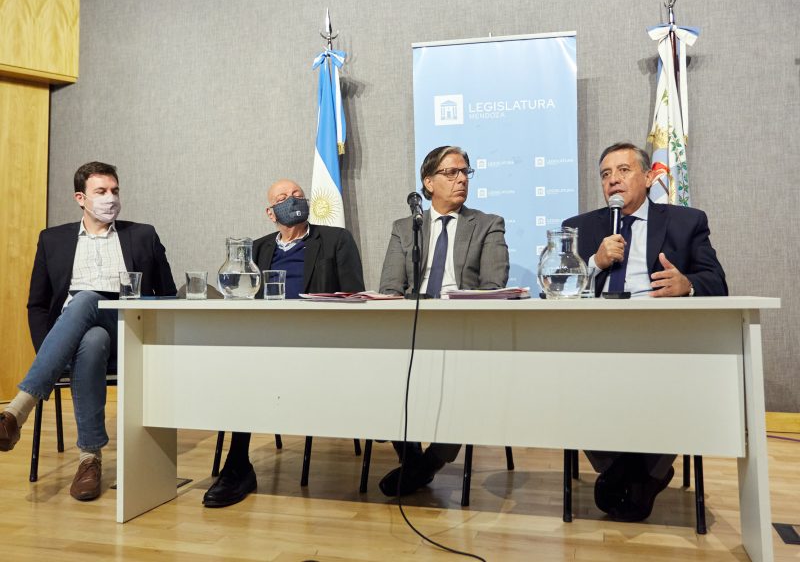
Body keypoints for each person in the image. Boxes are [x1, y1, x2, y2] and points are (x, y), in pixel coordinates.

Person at [563, 142, 727, 522]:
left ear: (649, 177)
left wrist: (686, 284)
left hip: (662, 339)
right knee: (567, 375)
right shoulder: (581, 227)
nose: (613, 180)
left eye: (623, 170)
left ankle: (637, 472)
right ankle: (631, 471)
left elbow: (717, 281)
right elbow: (558, 287)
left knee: (676, 380)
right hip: (597, 339)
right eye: (605, 174)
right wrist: (594, 263)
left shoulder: (686, 221)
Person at [0, 162, 176, 501]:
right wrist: (50, 350)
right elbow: (37, 305)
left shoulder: (143, 235)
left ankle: (17, 410)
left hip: (128, 332)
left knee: (86, 298)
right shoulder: (52, 240)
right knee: (92, 339)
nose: (111, 198)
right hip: (75, 341)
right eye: (101, 191)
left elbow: (167, 295)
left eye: (115, 190)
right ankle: (89, 461)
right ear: (80, 198)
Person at [202, 179, 365, 508]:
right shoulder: (256, 249)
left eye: (297, 195)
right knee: (238, 367)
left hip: (319, 345)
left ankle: (411, 460)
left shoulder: (335, 240)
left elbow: (355, 299)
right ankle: (238, 466)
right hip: (266, 343)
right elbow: (240, 299)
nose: (293, 200)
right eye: (283, 197)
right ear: (270, 212)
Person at [378, 145, 509, 497]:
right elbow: (390, 289)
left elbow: (493, 288)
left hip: (462, 328)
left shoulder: (487, 224)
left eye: (465, 172)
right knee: (383, 372)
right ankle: (411, 458)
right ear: (429, 182)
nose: (462, 179)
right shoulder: (405, 228)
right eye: (452, 172)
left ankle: (428, 464)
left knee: (463, 387)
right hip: (413, 326)